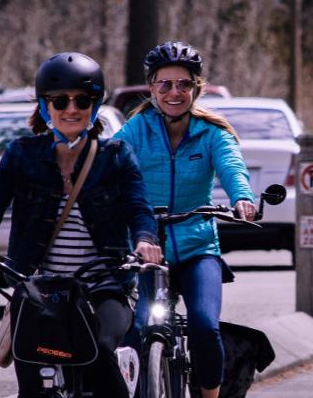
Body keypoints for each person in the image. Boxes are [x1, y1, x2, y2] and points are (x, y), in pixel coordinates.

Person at [0, 52, 162, 398]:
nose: (71, 109)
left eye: (82, 100)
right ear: (45, 107)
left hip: (102, 285)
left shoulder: (116, 155)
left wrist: (145, 240)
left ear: (96, 104)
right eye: (60, 101)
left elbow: (139, 208)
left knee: (102, 350)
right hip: (38, 290)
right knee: (30, 376)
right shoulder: (21, 154)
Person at [115, 41, 255, 398]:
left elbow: (233, 168)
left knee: (205, 327)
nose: (174, 92)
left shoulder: (212, 133)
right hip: (146, 250)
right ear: (152, 88)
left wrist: (242, 198)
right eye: (165, 84)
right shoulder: (136, 130)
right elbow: (106, 163)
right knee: (132, 333)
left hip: (197, 247)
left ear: (197, 87)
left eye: (183, 84)